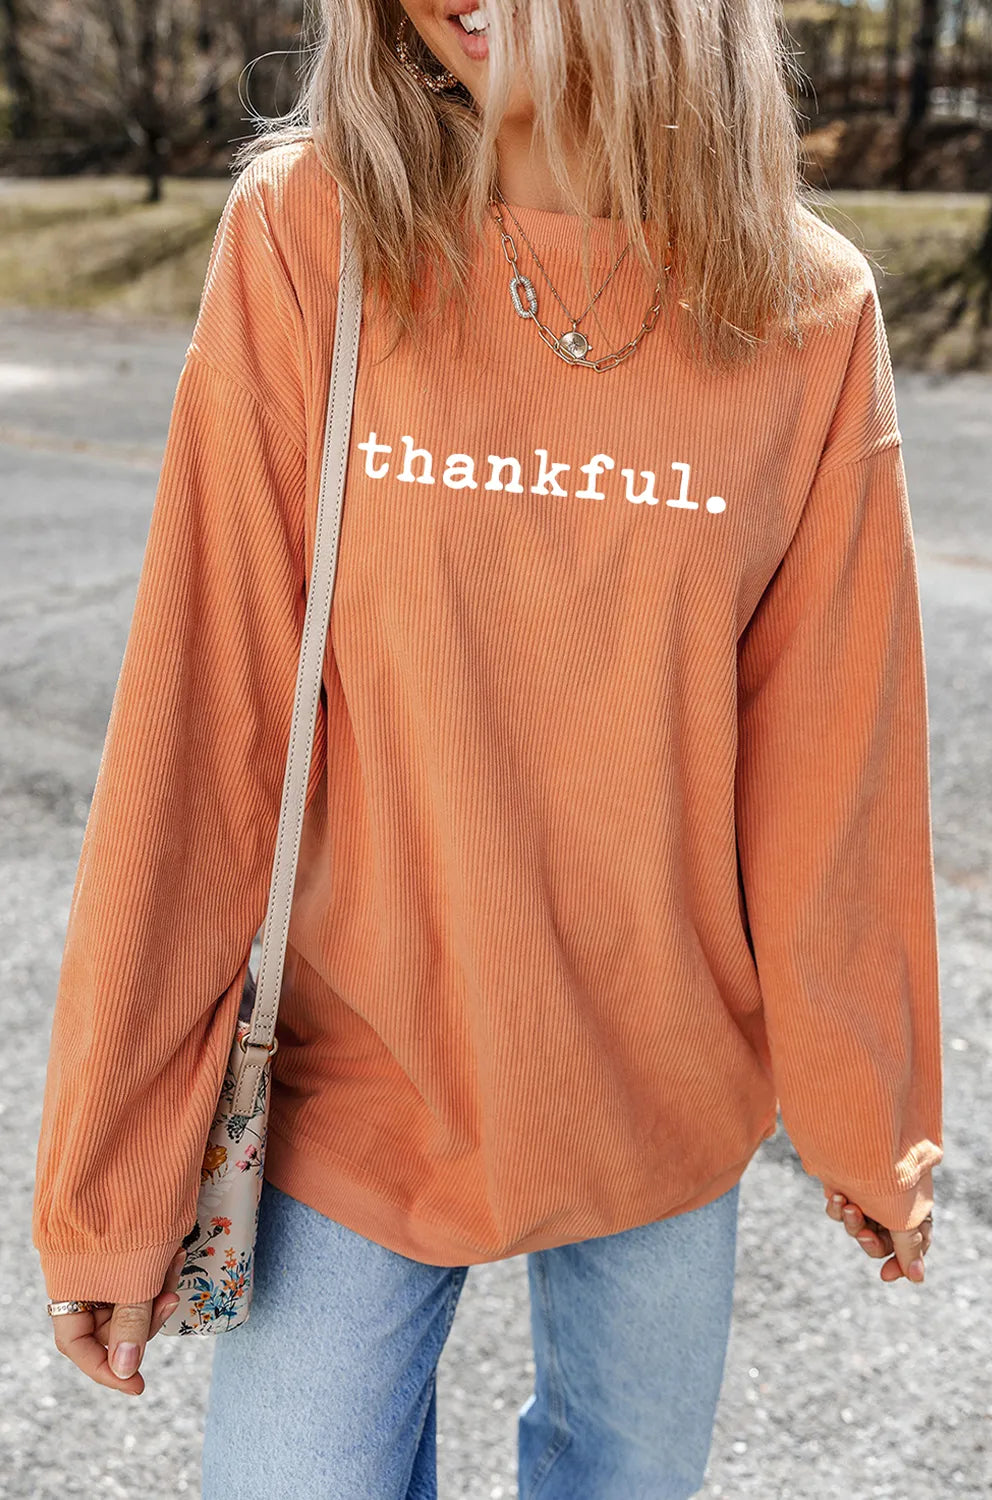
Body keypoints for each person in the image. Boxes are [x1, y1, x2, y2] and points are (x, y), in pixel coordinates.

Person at [32, 0, 943, 1495]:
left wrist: (872, 1117)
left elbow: (830, 765)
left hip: (658, 1094)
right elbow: (203, 725)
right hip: (358, 1084)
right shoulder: (312, 234)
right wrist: (113, 1169)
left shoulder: (804, 307)